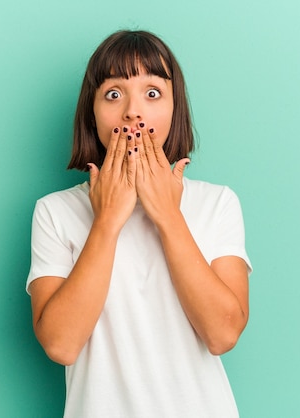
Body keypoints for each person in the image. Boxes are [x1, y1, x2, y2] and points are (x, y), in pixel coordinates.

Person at [27, 29, 252, 417]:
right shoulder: (55, 212)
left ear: (174, 109)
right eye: (114, 94)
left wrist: (167, 214)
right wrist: (107, 221)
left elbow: (223, 334)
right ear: (91, 113)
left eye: (152, 93)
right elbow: (61, 345)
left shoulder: (217, 203)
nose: (133, 111)